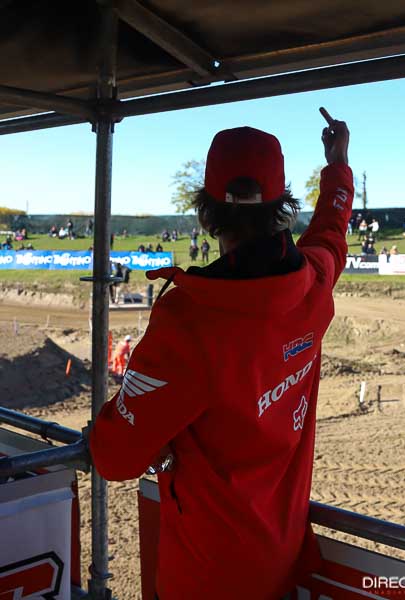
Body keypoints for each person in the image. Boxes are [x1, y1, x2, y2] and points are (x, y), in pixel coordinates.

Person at [89, 112, 353, 600]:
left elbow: (114, 456)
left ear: (206, 215)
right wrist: (338, 165)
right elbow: (330, 232)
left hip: (203, 577)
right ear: (281, 209)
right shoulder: (314, 282)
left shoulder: (188, 319)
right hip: (282, 561)